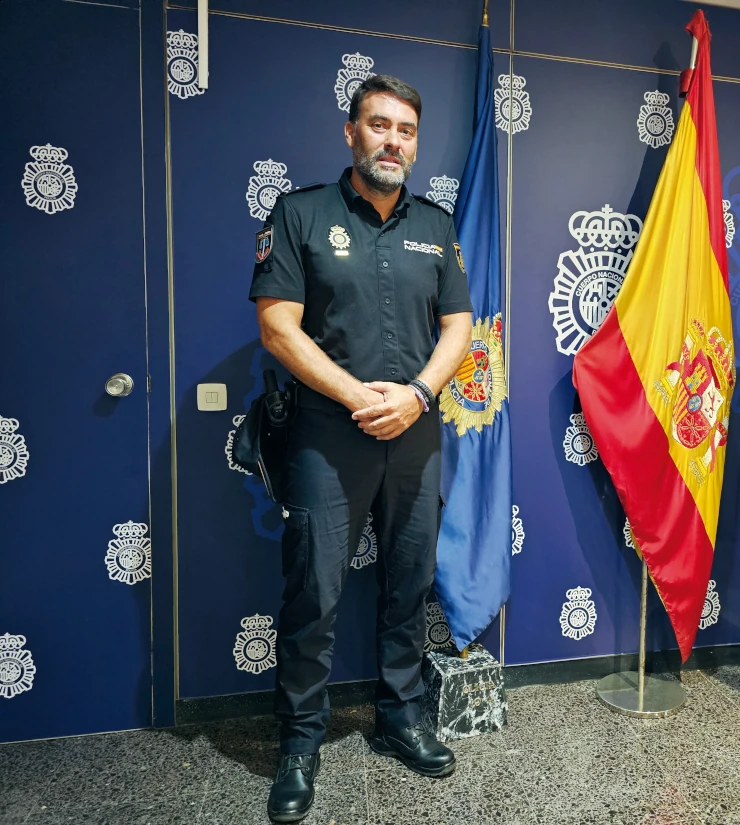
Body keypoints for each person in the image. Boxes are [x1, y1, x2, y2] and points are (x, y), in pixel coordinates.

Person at [249, 74, 473, 822]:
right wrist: (357, 396)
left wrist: (417, 395)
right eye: (379, 125)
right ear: (351, 132)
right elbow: (277, 326)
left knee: (408, 582)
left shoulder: (436, 224)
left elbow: (459, 326)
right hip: (325, 436)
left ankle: (401, 715)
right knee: (313, 590)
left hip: (415, 433)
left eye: (406, 130)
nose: (392, 141)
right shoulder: (300, 213)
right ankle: (300, 740)